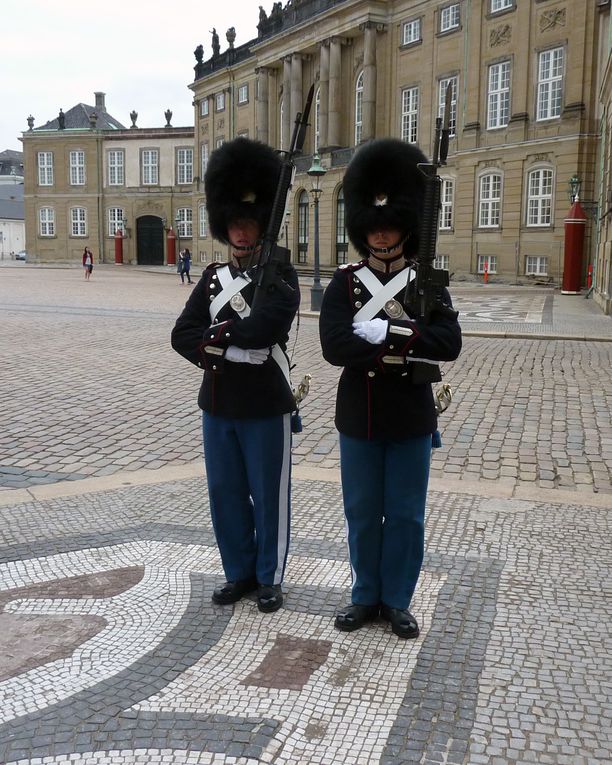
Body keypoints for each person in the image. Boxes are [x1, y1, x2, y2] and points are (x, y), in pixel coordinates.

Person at [319, 138, 462, 639]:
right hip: (360, 414)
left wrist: (388, 332)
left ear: (405, 226)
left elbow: (449, 342)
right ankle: (364, 595)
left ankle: (397, 599)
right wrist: (399, 347)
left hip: (410, 416)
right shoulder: (346, 283)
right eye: (373, 227)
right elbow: (334, 345)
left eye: (390, 225)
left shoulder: (428, 282)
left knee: (404, 514)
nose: (381, 234)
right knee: (361, 511)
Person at [171, 138, 300, 614]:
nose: (242, 233)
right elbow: (182, 334)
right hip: (218, 403)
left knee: (269, 497)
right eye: (235, 225)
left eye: (250, 224)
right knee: (225, 495)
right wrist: (223, 350)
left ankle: (270, 577)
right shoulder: (210, 278)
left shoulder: (282, 278)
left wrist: (217, 337)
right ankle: (239, 572)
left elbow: (267, 325)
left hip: (266, 405)